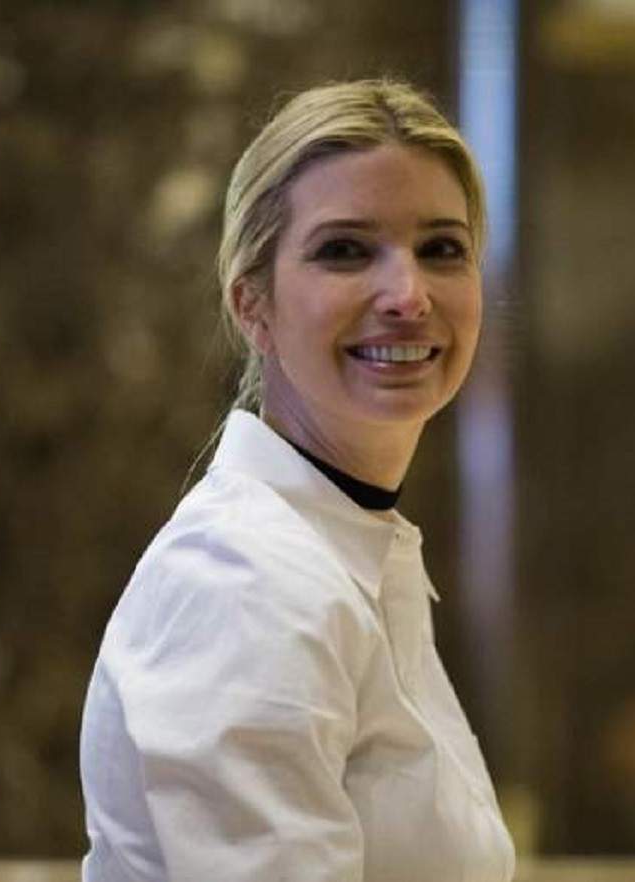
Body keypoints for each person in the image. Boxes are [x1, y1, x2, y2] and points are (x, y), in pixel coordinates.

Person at [78, 79, 516, 882]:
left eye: (441, 249)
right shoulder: (241, 579)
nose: (408, 295)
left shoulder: (346, 551)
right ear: (254, 305)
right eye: (345, 250)